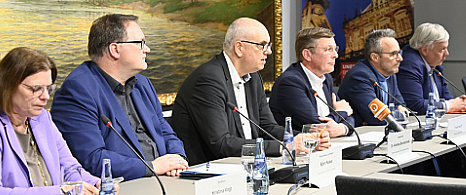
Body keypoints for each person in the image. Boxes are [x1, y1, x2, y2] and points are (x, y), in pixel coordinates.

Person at [0, 47, 117, 195]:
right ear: (8, 86)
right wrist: (60, 192)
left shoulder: (41, 118)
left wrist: (95, 183)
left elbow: (68, 168)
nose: (46, 96)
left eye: (48, 88)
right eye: (36, 89)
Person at [171, 18, 331, 166]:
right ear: (239, 48)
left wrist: (302, 139)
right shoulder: (208, 80)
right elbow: (220, 144)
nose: (268, 51)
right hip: (210, 172)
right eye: (262, 45)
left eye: (269, 46)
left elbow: (267, 127)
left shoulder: (253, 77)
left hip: (249, 165)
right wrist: (284, 146)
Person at [50, 14, 188, 181]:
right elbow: (92, 159)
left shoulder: (143, 84)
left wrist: (177, 159)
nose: (147, 49)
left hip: (167, 179)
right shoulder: (77, 90)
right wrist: (151, 168)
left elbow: (166, 133)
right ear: (114, 49)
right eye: (140, 43)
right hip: (122, 186)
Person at [270, 27, 354, 138]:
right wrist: (342, 112)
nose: (336, 55)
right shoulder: (290, 82)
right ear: (307, 55)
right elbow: (316, 126)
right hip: (298, 150)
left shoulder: (326, 79)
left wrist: (343, 128)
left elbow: (350, 118)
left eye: (335, 49)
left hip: (326, 146)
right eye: (328, 49)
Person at [396, 23, 466, 114]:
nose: (447, 53)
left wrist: (461, 103)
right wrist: (449, 105)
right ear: (425, 50)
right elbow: (415, 104)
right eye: (442, 49)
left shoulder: (435, 63)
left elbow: (445, 95)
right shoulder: (409, 64)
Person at [338, 29, 406, 126]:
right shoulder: (359, 76)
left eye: (399, 53)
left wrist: (397, 112)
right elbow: (377, 118)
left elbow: (402, 105)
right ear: (375, 57)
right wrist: (398, 113)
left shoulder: (389, 72)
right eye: (393, 54)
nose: (400, 58)